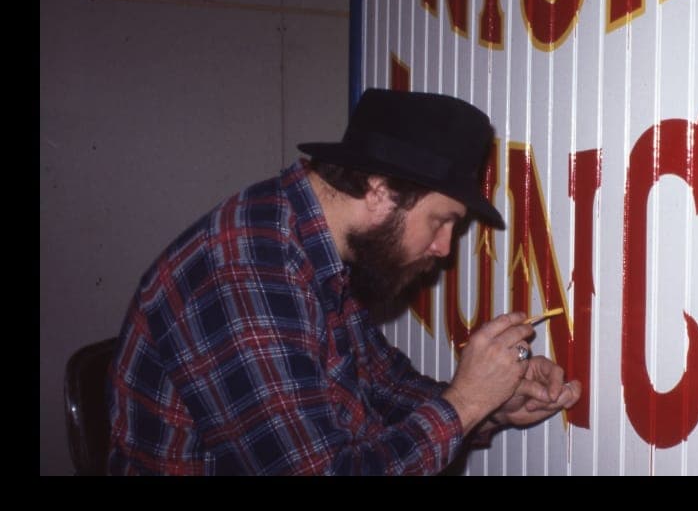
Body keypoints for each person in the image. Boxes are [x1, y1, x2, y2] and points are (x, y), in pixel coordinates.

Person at [107, 88, 582, 475]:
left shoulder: (315, 246)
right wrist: (466, 403)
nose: (443, 248)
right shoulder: (246, 272)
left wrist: (494, 402)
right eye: (442, 221)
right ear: (380, 191)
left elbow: (381, 383)